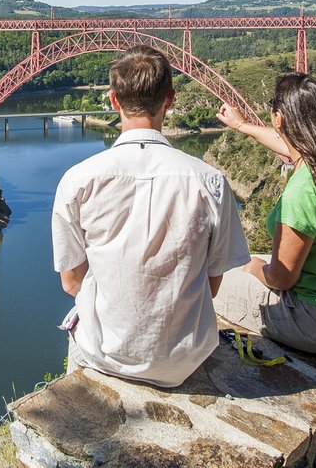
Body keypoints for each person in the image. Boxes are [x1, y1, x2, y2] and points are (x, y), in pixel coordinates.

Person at [51, 45, 250, 387]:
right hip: (186, 359)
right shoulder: (211, 182)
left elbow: (71, 283)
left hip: (105, 354)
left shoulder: (77, 180)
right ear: (169, 99)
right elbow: (212, 283)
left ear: (113, 101)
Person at [214, 72, 316, 354]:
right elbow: (291, 147)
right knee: (245, 264)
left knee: (213, 278)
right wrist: (242, 125)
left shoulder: (302, 192)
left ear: (278, 118)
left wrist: (254, 267)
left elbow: (282, 279)